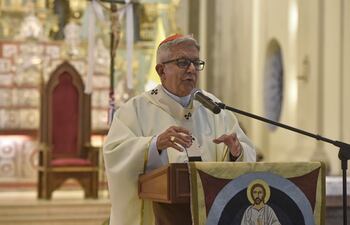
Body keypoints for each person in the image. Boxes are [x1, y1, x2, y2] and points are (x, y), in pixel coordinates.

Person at [103, 33, 256, 225]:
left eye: (195, 62)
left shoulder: (214, 107)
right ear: (161, 70)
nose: (192, 69)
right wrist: (154, 145)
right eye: (183, 62)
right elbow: (114, 153)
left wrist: (235, 152)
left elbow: (245, 152)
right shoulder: (136, 110)